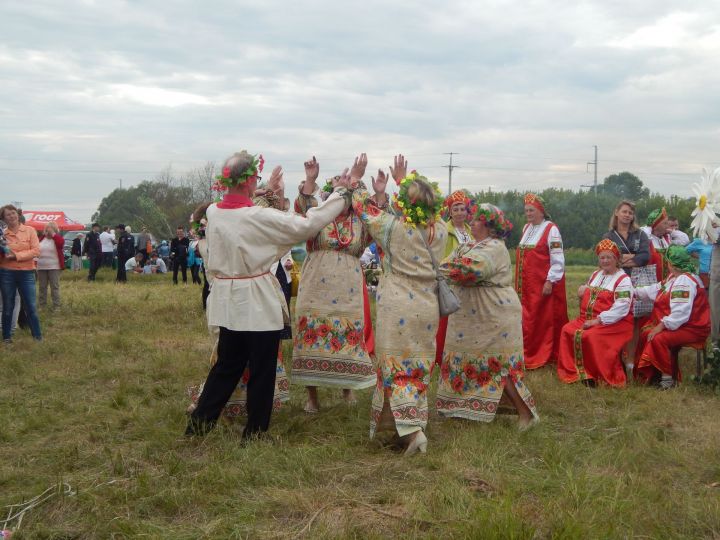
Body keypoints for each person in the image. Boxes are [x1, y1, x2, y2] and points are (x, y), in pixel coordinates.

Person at [186, 149, 351, 440]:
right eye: (255, 179)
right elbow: (306, 225)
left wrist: (265, 190)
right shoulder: (257, 216)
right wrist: (339, 194)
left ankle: (199, 425)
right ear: (249, 180)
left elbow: (230, 209)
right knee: (262, 368)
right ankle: (255, 432)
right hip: (256, 301)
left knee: (227, 365)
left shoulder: (213, 212)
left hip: (227, 299)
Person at [351, 154, 448, 455]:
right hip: (427, 306)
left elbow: (364, 209)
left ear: (405, 203)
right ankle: (409, 425)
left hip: (397, 307)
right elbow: (424, 204)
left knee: (395, 367)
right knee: (418, 366)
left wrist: (356, 180)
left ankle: (411, 432)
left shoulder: (392, 228)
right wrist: (403, 180)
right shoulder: (440, 230)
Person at [436, 202, 538, 427]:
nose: (471, 221)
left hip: (494, 314)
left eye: (477, 219)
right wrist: (443, 266)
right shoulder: (468, 245)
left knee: (498, 365)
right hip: (470, 318)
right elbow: (450, 262)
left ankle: (526, 415)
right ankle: (462, 409)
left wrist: (433, 269)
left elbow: (468, 269)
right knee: (465, 360)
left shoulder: (495, 247)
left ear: (490, 226)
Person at [291, 156, 375, 412]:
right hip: (316, 283)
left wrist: (368, 188)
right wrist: (311, 180)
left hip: (347, 286)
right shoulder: (319, 216)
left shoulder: (360, 223)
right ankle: (312, 397)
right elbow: (303, 207)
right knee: (311, 336)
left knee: (347, 336)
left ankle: (347, 389)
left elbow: (378, 216)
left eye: (349, 192)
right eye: (342, 190)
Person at [557, 239, 634, 387]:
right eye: (602, 257)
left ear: (616, 259)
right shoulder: (596, 274)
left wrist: (598, 320)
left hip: (614, 323)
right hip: (588, 319)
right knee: (567, 330)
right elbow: (587, 289)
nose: (605, 261)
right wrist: (583, 289)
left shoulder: (623, 280)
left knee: (591, 336)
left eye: (609, 257)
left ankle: (595, 376)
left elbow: (622, 308)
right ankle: (575, 372)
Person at [635, 245, 710, 388]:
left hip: (693, 328)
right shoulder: (673, 278)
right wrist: (632, 292)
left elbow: (681, 313)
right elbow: (653, 290)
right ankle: (654, 374)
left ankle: (667, 380)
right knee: (645, 333)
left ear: (671, 264)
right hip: (682, 325)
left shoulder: (684, 281)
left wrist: (661, 326)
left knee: (658, 338)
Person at [514, 193, 568, 369]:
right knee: (525, 317)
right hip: (525, 285)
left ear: (541, 211)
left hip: (541, 283)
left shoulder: (551, 229)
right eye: (526, 210)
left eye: (532, 210)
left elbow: (557, 258)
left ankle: (542, 353)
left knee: (541, 319)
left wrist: (550, 281)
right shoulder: (526, 229)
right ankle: (525, 351)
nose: (528, 214)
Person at [602, 200, 653, 367]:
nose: (627, 215)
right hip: (615, 281)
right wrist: (631, 256)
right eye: (624, 211)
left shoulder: (640, 234)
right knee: (617, 317)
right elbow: (606, 257)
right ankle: (615, 358)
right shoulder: (609, 236)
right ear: (617, 213)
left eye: (630, 213)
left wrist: (622, 260)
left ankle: (630, 361)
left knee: (635, 321)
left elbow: (645, 256)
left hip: (637, 281)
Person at [435, 190, 474, 365]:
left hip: (468, 281)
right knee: (448, 318)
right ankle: (442, 356)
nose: (459, 212)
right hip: (450, 280)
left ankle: (462, 353)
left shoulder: (470, 231)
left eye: (462, 209)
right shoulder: (445, 230)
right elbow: (441, 256)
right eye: (455, 209)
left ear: (467, 212)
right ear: (450, 212)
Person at [0, 204, 41, 342]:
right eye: (7, 215)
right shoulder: (2, 234)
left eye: (13, 213)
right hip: (6, 273)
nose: (11, 216)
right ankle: (6, 338)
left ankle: (37, 337)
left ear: (17, 214)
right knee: (8, 306)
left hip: (27, 273)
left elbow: (36, 251)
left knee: (31, 306)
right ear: (4, 219)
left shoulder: (30, 230)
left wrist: (16, 256)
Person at [36, 222, 64, 309]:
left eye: (50, 229)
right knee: (42, 287)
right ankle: (42, 305)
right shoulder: (41, 239)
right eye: (47, 228)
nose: (48, 230)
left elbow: (60, 244)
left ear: (55, 230)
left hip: (54, 266)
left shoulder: (58, 238)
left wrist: (53, 235)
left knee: (54, 286)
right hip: (41, 266)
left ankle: (56, 306)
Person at [641, 208, 671, 282]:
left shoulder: (667, 239)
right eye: (665, 223)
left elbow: (685, 240)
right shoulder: (647, 240)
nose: (668, 226)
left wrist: (673, 232)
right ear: (656, 225)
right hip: (651, 284)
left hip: (668, 283)